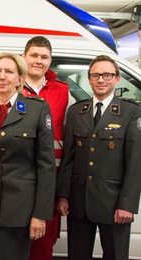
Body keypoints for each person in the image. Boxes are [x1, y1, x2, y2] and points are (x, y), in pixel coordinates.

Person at [0, 52, 56, 260]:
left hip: (20, 211)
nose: (2, 76)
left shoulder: (37, 109)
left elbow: (46, 166)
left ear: (20, 79)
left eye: (9, 71)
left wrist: (40, 215)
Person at [56, 55, 141, 260]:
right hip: (79, 203)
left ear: (117, 79)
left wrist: (127, 205)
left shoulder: (131, 112)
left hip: (114, 205)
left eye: (107, 75)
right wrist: (63, 195)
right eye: (95, 75)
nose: (101, 79)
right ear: (90, 78)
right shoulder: (76, 111)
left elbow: (136, 162)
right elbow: (69, 158)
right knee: (77, 255)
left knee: (115, 255)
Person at [21, 36, 72, 260]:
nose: (38, 61)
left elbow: (70, 142)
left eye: (44, 57)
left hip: (49, 184)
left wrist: (62, 191)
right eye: (34, 55)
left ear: (50, 61)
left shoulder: (63, 91)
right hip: (17, 181)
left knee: (43, 246)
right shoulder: (10, 86)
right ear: (23, 57)